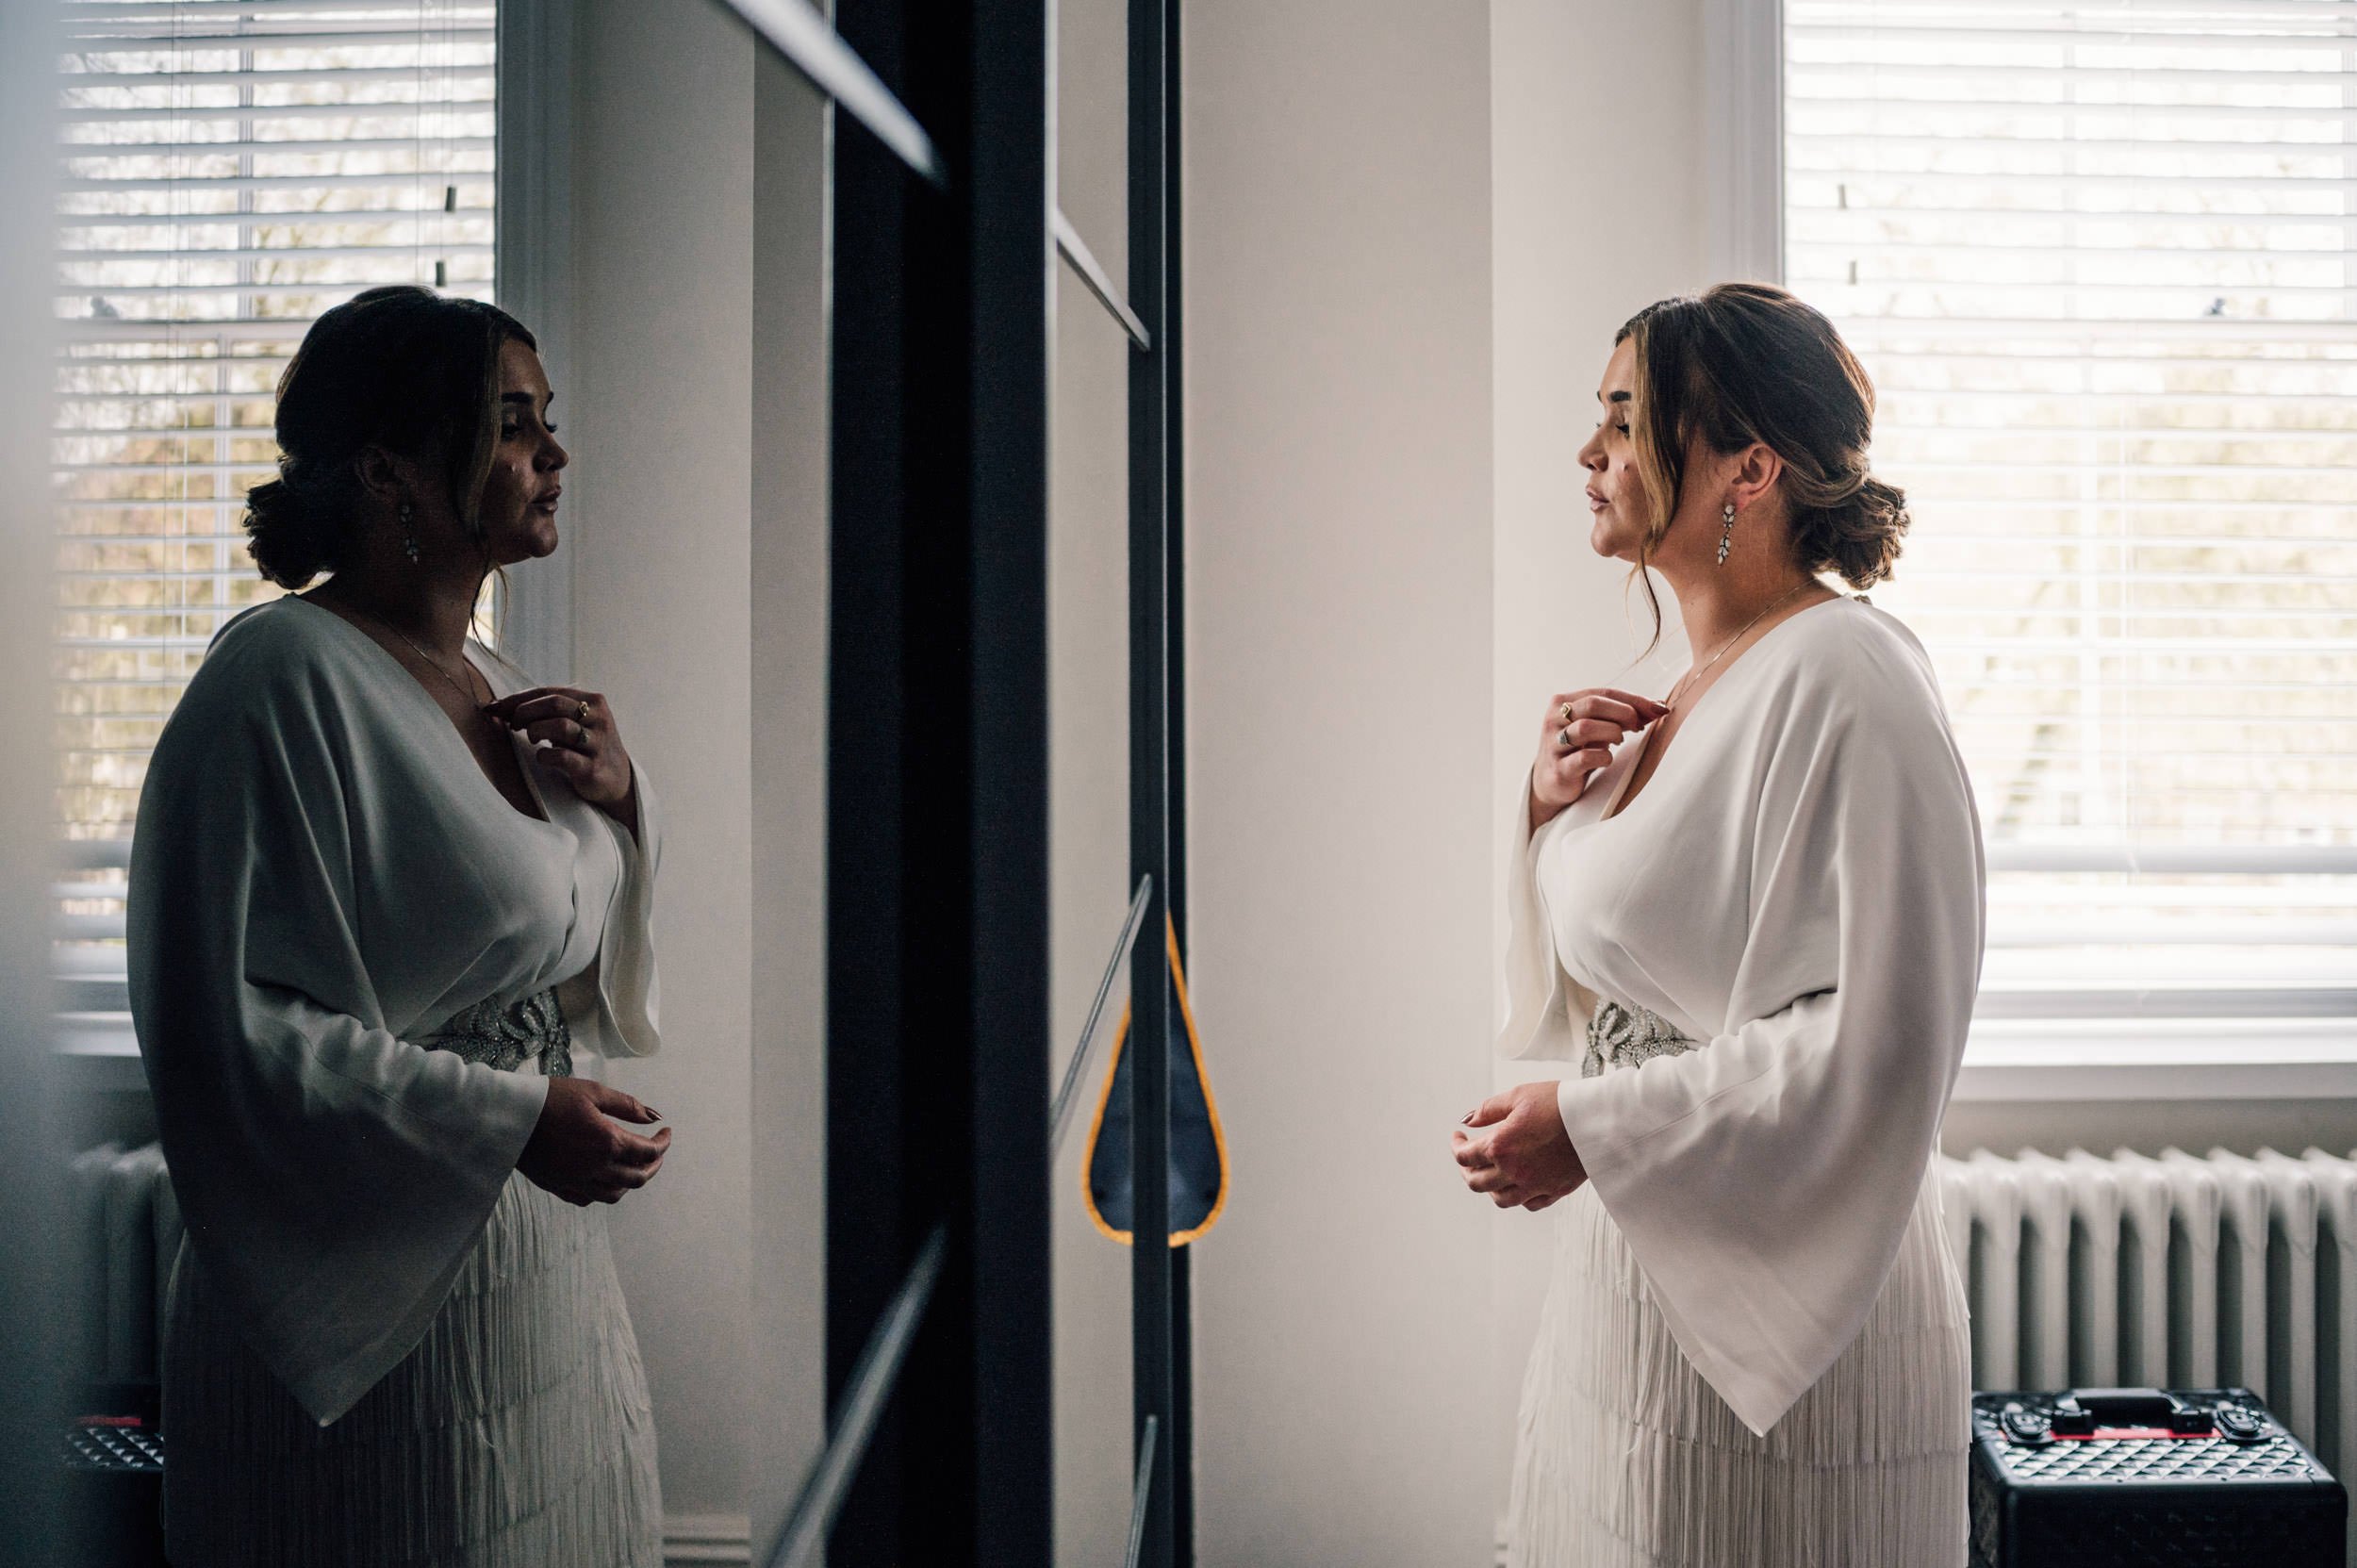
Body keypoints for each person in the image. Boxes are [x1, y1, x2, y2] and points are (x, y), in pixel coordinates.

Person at [127, 285, 673, 1566]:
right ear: (391, 478)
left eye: (549, 422)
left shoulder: (496, 677)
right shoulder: (272, 684)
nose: (555, 456)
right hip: (377, 1313)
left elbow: (553, 956)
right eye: (512, 425)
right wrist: (511, 1117)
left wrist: (625, 799)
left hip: (536, 1285)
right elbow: (221, 1029)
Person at [1453, 283, 1984, 1566]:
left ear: (1750, 466)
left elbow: (1883, 1037)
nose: (1592, 455)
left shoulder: (1853, 678)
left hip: (1783, 1325)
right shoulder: (1692, 690)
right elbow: (1636, 972)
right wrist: (1544, 809)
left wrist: (1588, 1123)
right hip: (1640, 1289)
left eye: (1627, 424)